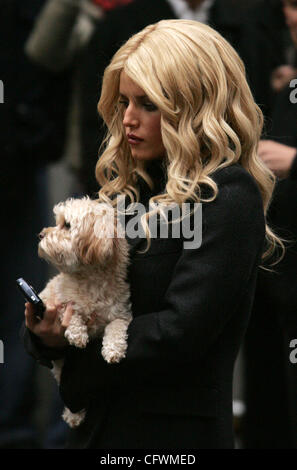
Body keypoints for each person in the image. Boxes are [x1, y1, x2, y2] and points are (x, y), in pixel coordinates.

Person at [22, 19, 282, 449]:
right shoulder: (128, 185)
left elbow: (181, 333)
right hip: (96, 434)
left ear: (193, 105)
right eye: (124, 101)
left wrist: (77, 370)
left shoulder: (229, 196)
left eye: (148, 104)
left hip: (172, 440)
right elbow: (78, 290)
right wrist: (44, 332)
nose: (127, 119)